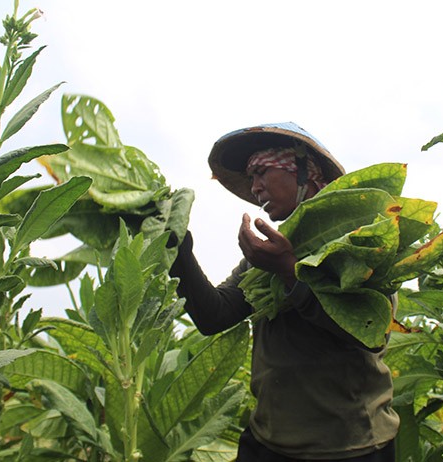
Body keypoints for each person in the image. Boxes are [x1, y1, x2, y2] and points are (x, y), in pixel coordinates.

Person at [169, 122, 400, 461]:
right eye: (250, 179)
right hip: (268, 441)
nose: (255, 187)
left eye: (262, 172)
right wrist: (179, 250)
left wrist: (289, 272)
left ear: (304, 170)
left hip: (349, 446)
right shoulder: (266, 257)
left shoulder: (359, 240)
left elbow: (370, 331)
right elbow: (214, 315)